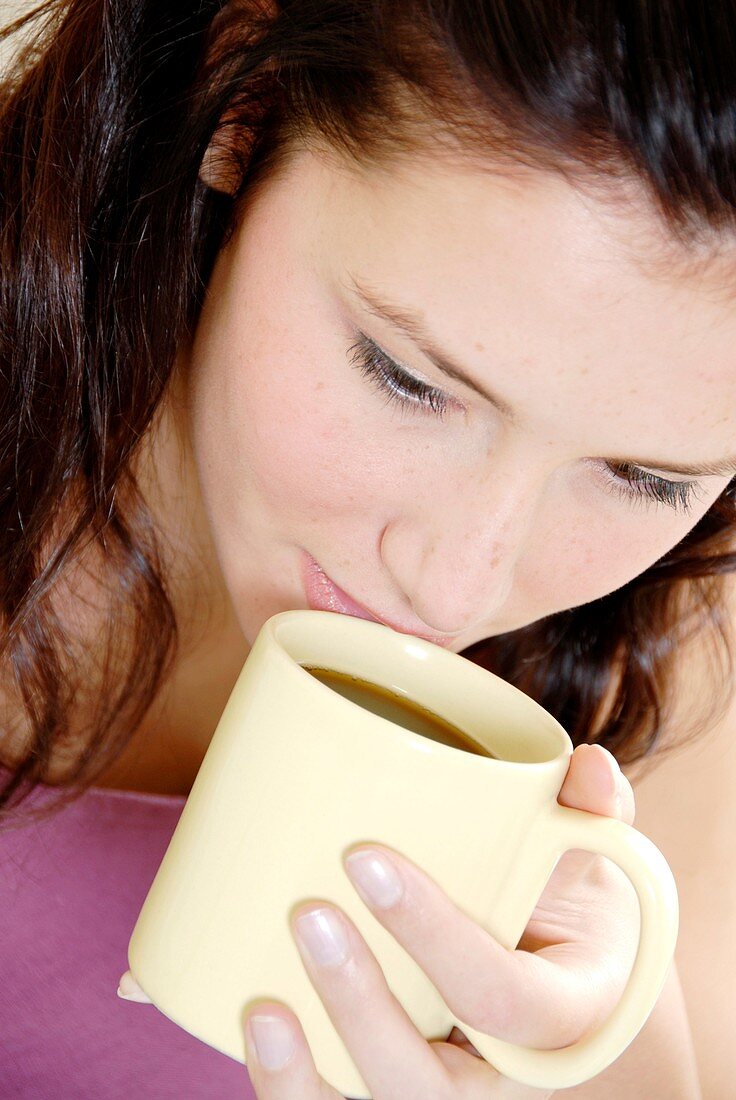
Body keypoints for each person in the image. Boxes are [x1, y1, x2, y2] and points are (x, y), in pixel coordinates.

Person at [1, 0, 734, 1096]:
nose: (456, 580)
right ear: (243, 106)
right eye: (408, 377)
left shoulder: (661, 674)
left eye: (648, 478)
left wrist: (620, 1067)